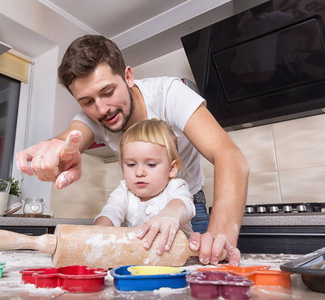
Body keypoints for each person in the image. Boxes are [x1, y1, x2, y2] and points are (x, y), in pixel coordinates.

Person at [16, 35, 248, 266]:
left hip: (187, 210)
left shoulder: (169, 94)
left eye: (108, 92)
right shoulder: (92, 116)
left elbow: (229, 156)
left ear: (128, 76)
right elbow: (71, 136)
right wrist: (54, 148)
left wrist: (219, 236)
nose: (102, 109)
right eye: (87, 102)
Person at [94, 119, 195, 255]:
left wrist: (170, 215)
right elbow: (110, 213)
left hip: (179, 266)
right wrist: (97, 233)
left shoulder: (175, 187)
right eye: (131, 164)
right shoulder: (124, 192)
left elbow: (182, 205)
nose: (139, 172)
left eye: (151, 165)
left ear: (171, 169)